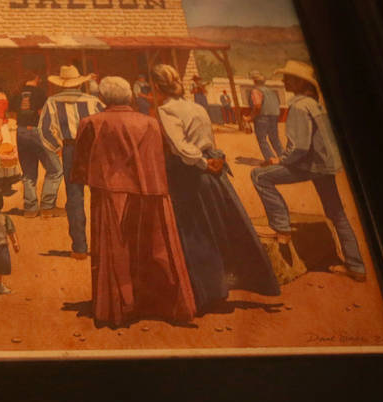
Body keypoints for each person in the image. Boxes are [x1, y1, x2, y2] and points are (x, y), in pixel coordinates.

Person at [152, 64, 280, 315]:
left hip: (189, 175)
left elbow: (181, 148)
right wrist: (211, 162)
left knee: (195, 232)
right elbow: (207, 140)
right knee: (221, 226)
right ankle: (219, 289)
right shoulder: (197, 107)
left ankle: (207, 293)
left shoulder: (166, 110)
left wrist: (202, 163)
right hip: (212, 171)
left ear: (157, 87)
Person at [71, 76, 195, 327]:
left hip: (109, 192)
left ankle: (116, 308)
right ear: (129, 96)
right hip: (151, 190)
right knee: (154, 247)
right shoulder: (150, 123)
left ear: (102, 98)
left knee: (115, 250)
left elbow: (80, 167)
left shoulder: (91, 123)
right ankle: (158, 303)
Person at [251, 60, 367, 282]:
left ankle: (281, 228)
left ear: (300, 82)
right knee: (337, 213)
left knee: (258, 175)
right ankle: (357, 267)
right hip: (324, 166)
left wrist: (280, 160)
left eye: (288, 77)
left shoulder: (298, 106)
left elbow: (300, 147)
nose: (284, 81)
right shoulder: (315, 104)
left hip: (310, 165)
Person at [37, 65, 104, 258]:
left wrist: (57, 148)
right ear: (78, 82)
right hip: (92, 149)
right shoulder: (93, 101)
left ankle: (80, 247)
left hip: (70, 149)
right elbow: (104, 124)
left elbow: (45, 130)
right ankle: (100, 247)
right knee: (98, 196)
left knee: (75, 198)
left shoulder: (52, 101)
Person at [9, 69, 55, 217]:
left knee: (28, 173)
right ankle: (47, 206)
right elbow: (43, 114)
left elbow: (13, 113)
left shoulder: (17, 92)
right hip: (37, 131)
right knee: (55, 169)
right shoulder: (40, 93)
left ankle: (30, 208)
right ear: (36, 77)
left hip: (21, 131)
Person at [246, 70, 283, 164]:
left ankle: (270, 159)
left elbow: (257, 106)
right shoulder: (271, 91)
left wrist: (249, 117)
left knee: (262, 139)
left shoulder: (255, 91)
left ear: (254, 81)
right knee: (274, 138)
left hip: (262, 117)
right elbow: (277, 104)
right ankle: (283, 158)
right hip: (274, 116)